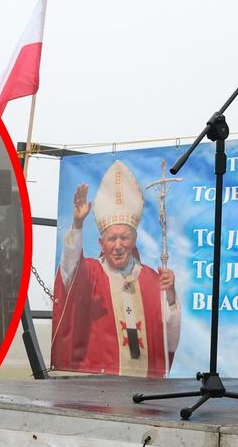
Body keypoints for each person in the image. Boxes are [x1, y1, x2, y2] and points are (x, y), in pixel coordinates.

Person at [51, 160, 180, 377]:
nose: (118, 246)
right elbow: (68, 267)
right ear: (101, 244)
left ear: (134, 240)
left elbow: (170, 340)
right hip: (100, 385)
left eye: (124, 237)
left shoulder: (151, 279)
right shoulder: (90, 273)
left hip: (145, 385)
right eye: (112, 238)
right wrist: (77, 225)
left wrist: (171, 296)